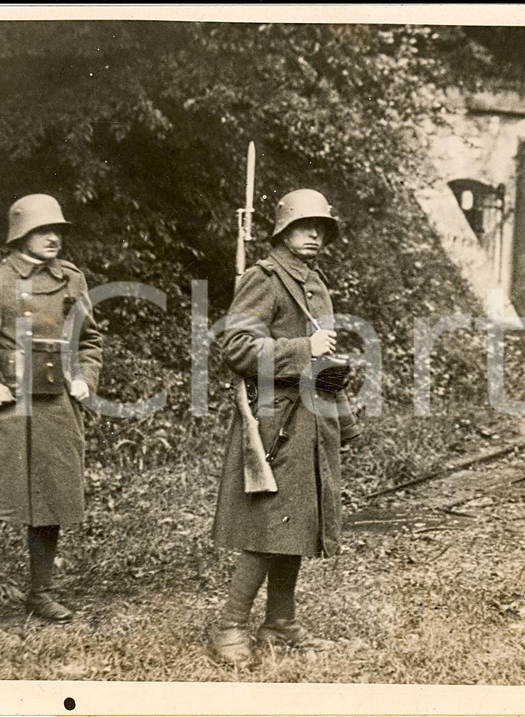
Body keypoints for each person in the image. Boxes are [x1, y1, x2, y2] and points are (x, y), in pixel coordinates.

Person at [0, 194, 103, 631]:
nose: (54, 237)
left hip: (55, 410)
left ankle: (40, 593)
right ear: (21, 234)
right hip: (4, 410)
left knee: (49, 500)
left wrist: (85, 377)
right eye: (44, 230)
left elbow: (90, 342)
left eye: (58, 230)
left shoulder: (72, 281)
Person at [209, 188, 361, 666]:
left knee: (298, 521)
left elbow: (322, 357)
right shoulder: (265, 279)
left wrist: (343, 414)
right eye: (304, 225)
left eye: (321, 226)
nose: (314, 233)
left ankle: (280, 623)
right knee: (268, 525)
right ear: (283, 230)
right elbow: (236, 349)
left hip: (312, 416)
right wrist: (304, 349)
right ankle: (230, 623)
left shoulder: (314, 282)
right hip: (275, 421)